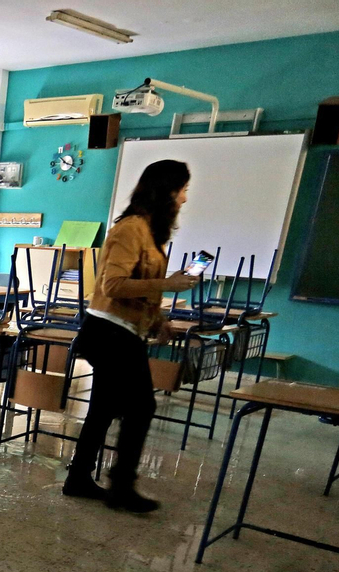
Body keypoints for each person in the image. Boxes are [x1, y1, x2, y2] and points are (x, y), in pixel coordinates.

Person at [62, 159, 198, 513]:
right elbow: (113, 285)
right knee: (141, 407)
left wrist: (159, 318)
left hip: (124, 329)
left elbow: (141, 287)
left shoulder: (151, 232)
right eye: (182, 190)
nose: (184, 198)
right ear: (167, 191)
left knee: (103, 408)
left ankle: (78, 477)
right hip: (109, 332)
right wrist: (168, 284)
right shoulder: (131, 228)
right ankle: (121, 486)